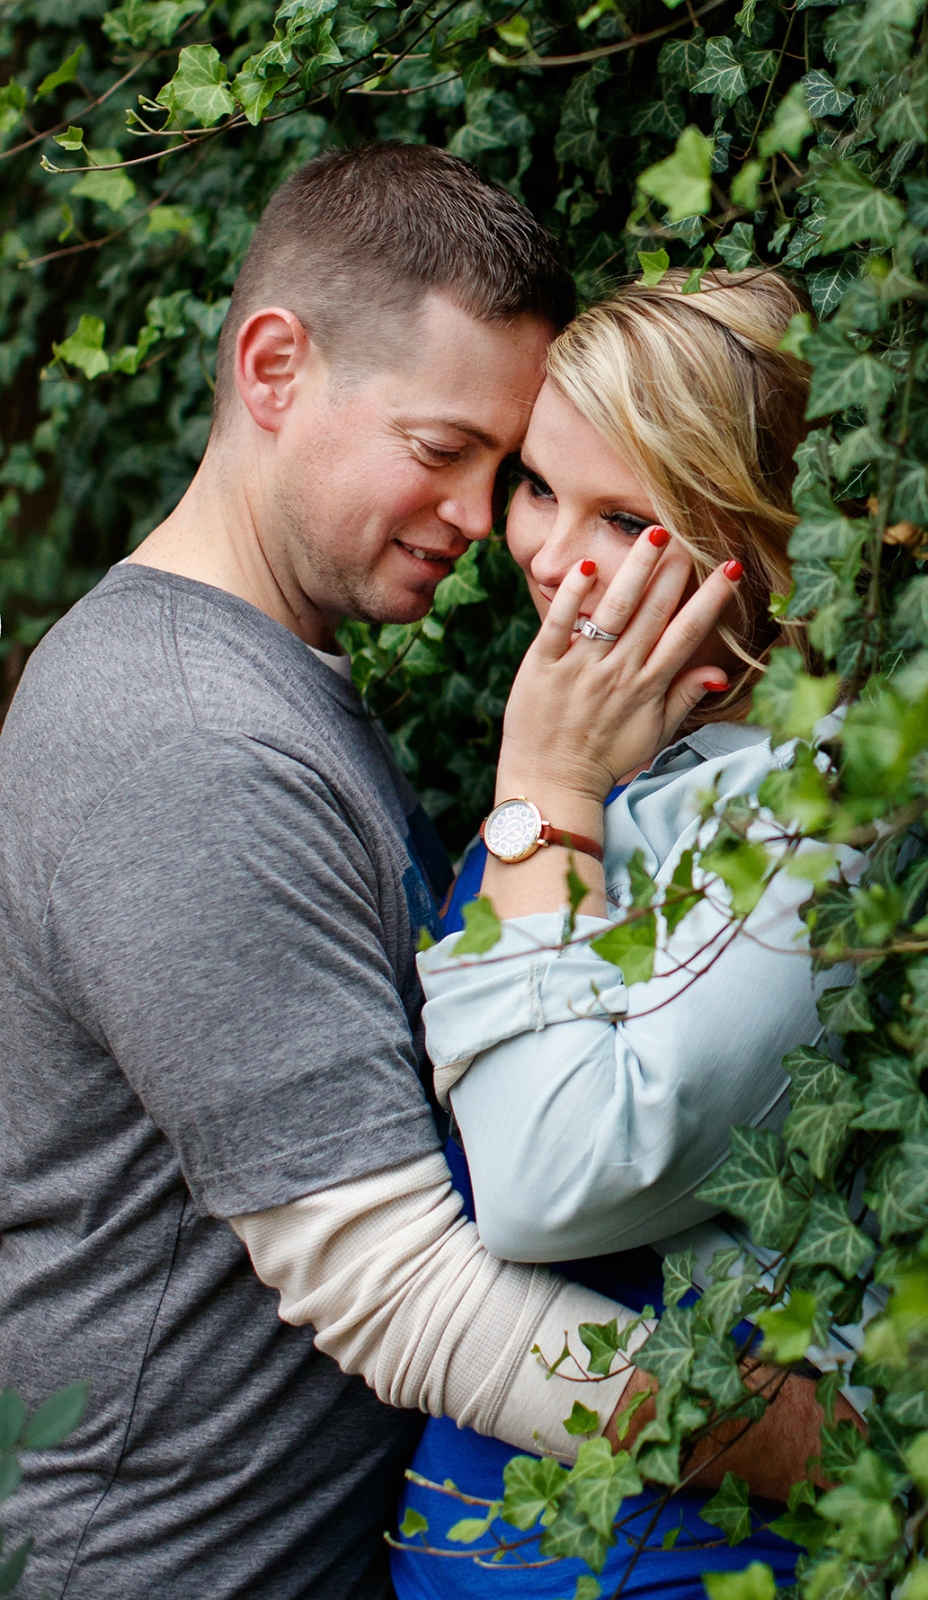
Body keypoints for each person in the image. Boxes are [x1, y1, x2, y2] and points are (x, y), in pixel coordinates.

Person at [0, 147, 825, 1600]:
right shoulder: (182, 738)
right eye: (443, 450)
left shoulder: (270, 686)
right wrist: (814, 1444)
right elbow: (397, 1288)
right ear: (273, 367)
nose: (488, 523)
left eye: (503, 470)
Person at [388, 267, 866, 1599]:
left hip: (662, 1562)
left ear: (767, 546)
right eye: (539, 487)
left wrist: (542, 793)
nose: (549, 554)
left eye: (625, 519)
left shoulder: (816, 817)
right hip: (483, 1536)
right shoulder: (633, 743)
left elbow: (548, 1185)